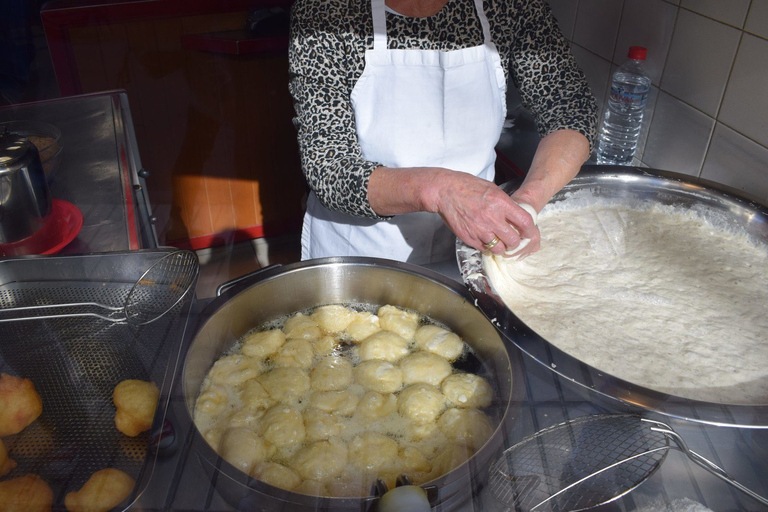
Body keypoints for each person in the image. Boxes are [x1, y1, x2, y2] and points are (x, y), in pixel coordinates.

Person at [288, 0, 597, 264]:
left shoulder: (508, 5)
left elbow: (570, 108)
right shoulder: (327, 10)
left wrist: (526, 205)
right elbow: (329, 167)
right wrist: (441, 190)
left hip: (477, 251)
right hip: (363, 253)